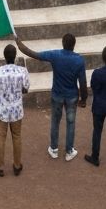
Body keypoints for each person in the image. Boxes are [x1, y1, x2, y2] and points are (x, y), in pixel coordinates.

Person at [15, 33, 87, 161]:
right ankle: (69, 151)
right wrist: (84, 99)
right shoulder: (79, 60)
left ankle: (54, 149)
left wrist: (19, 44)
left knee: (55, 121)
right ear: (74, 45)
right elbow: (83, 82)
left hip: (57, 95)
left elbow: (34, 54)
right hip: (72, 96)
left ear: (63, 43)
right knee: (71, 123)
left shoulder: (55, 55)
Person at [0, 43, 30, 176]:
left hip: (2, 110)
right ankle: (17, 165)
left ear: (4, 57)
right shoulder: (22, 71)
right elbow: (26, 89)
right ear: (15, 56)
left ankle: (0, 166)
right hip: (16, 110)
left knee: (1, 138)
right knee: (17, 137)